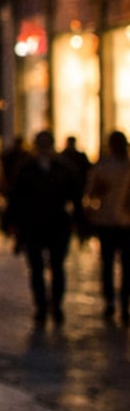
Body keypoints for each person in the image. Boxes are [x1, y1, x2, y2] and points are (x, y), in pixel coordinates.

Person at [7, 130, 82, 327]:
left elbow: (75, 196)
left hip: (57, 224)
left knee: (57, 266)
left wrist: (79, 222)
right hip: (34, 224)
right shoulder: (26, 169)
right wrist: (14, 225)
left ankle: (56, 304)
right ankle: (41, 306)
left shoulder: (64, 168)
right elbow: (16, 199)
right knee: (37, 267)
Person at [83, 131, 130, 322]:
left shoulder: (105, 167)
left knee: (115, 264)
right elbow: (92, 193)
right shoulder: (106, 167)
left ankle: (116, 301)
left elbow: (91, 194)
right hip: (114, 222)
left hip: (117, 222)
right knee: (114, 264)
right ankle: (117, 302)